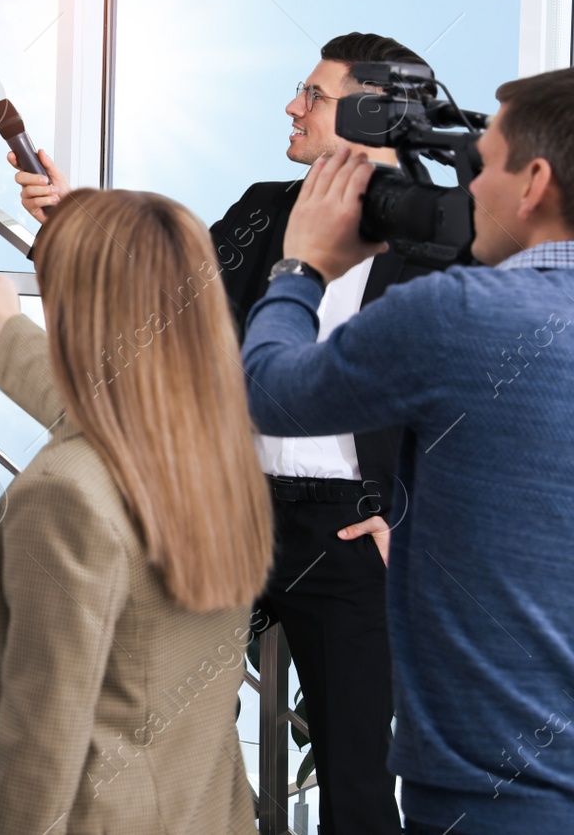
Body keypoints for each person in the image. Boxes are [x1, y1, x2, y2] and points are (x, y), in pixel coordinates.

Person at [243, 69, 574, 835]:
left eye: (482, 165)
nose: (465, 191)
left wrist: (302, 268)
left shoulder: (462, 312)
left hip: (486, 801)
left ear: (534, 183)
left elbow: (274, 390)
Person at [0, 188, 273, 834]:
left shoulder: (66, 498)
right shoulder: (216, 452)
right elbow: (109, 402)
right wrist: (11, 332)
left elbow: (37, 759)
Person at [211, 32, 433, 835]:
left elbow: (469, 395)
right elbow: (166, 308)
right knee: (161, 725)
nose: (291, 107)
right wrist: (69, 223)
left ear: (375, 116)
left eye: (313, 94)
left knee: (357, 777)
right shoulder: (264, 208)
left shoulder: (439, 242)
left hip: (348, 532)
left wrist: (408, 514)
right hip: (231, 515)